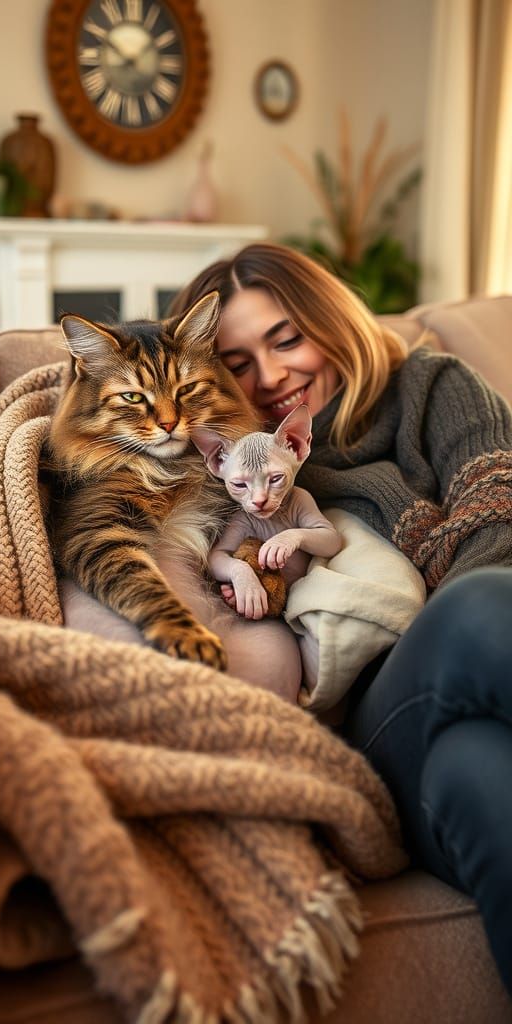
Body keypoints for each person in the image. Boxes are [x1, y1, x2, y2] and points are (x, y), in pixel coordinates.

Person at [170, 241, 512, 998]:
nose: (270, 377)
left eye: (287, 339)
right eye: (235, 363)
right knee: (481, 608)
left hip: (457, 704)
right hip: (366, 732)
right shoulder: (232, 470)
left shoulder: (433, 387)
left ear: (329, 319)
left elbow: (501, 522)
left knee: (479, 774)